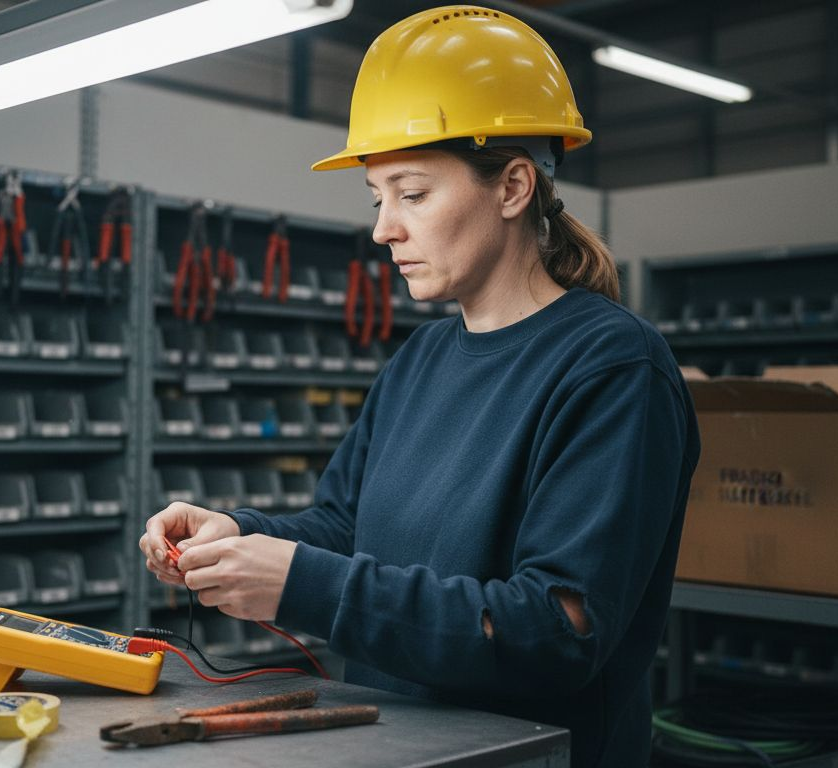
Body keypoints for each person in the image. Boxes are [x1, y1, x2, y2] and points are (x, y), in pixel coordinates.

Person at [140, 6, 700, 767]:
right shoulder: (421, 360)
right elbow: (346, 527)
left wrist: (305, 584)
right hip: (394, 747)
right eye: (377, 198)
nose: (383, 229)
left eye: (412, 193)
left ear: (511, 187)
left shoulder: (612, 369)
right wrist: (238, 535)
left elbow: (559, 630)